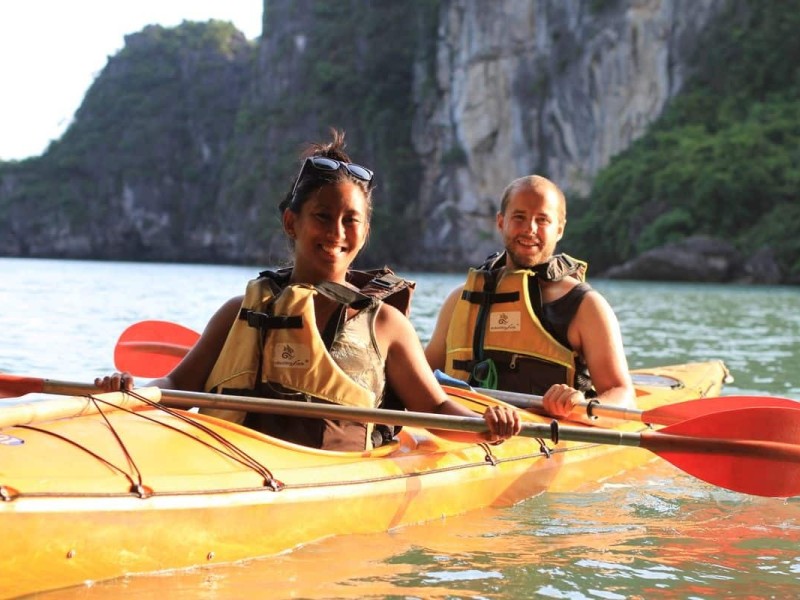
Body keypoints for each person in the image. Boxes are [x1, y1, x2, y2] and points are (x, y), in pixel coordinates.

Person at [97, 129, 520, 451]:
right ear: (291, 222)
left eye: (350, 220)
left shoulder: (385, 324)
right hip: (239, 460)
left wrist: (488, 426)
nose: (336, 232)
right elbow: (175, 386)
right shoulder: (240, 311)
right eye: (322, 215)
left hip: (334, 474)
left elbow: (435, 410)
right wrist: (131, 388)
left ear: (365, 231)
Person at [425, 174, 635, 422]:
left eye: (542, 219)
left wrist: (580, 405)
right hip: (463, 432)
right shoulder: (460, 300)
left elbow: (623, 395)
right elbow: (422, 377)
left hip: (540, 438)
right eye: (519, 217)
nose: (530, 229)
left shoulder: (584, 306)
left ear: (559, 228)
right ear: (501, 222)